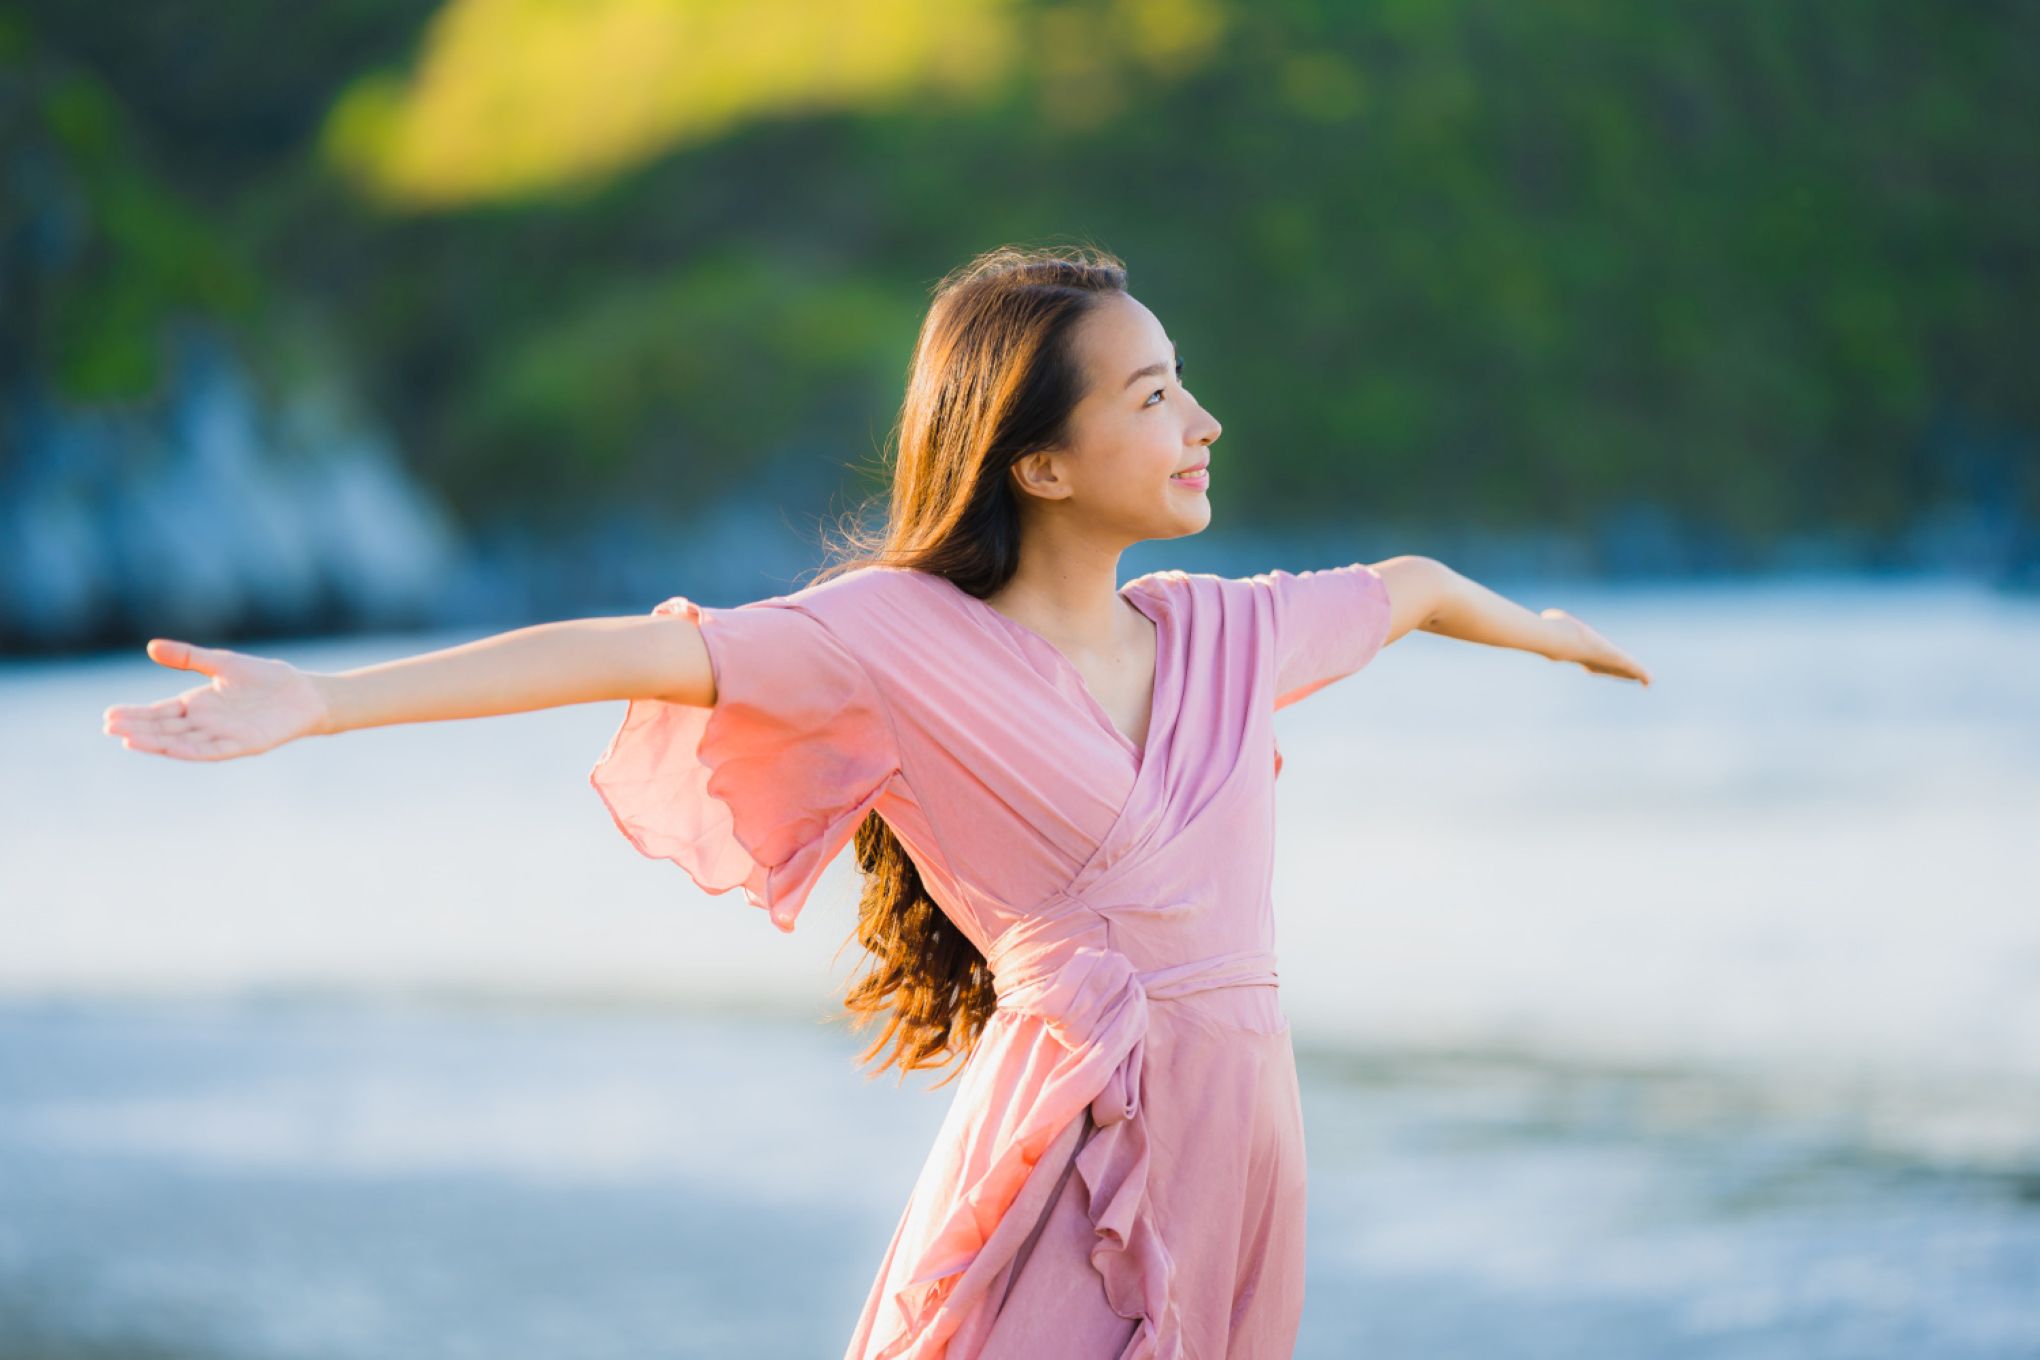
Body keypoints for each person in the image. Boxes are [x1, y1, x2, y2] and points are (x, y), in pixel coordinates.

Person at [103, 243, 1651, 1358]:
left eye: (1187, 388)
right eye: (1156, 395)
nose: (1205, 423)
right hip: (1068, 1154)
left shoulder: (1224, 637)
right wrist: (327, 702)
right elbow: (630, 651)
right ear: (1041, 465)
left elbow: (1408, 586)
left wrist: (1545, 633)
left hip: (1243, 1154)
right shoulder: (890, 642)